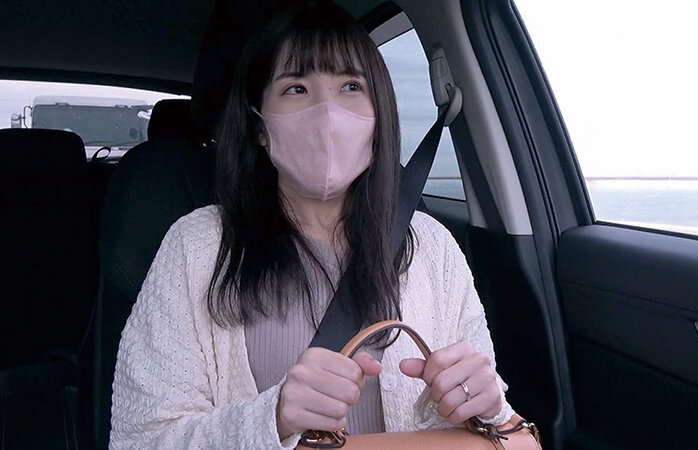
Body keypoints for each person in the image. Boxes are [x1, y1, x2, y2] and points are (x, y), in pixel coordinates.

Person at [109, 1, 514, 448]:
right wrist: (273, 417)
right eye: (296, 88)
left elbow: (495, 419)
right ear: (260, 125)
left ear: (378, 115)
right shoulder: (196, 247)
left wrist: (484, 402)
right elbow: (139, 441)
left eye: (351, 86)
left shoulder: (432, 246)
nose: (327, 112)